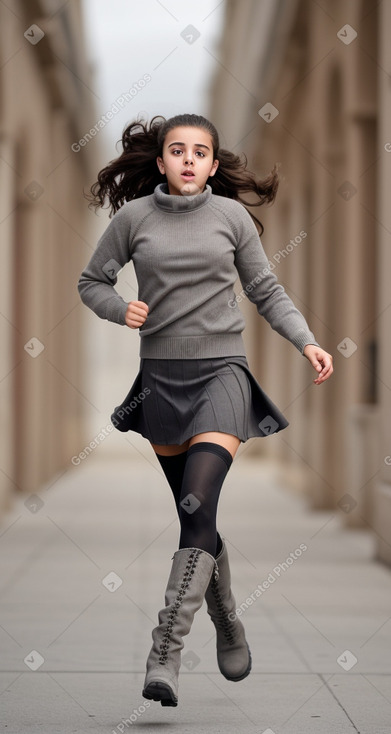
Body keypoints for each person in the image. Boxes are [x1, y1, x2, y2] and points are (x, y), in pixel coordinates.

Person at [77, 112, 333, 707]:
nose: (188, 159)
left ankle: (165, 650)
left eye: (200, 152)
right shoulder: (133, 219)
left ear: (213, 166)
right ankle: (227, 618)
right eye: (177, 150)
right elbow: (92, 281)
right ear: (162, 162)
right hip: (161, 382)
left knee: (197, 509)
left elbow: (265, 289)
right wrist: (121, 310)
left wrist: (308, 340)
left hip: (223, 374)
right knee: (201, 520)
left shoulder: (232, 217)